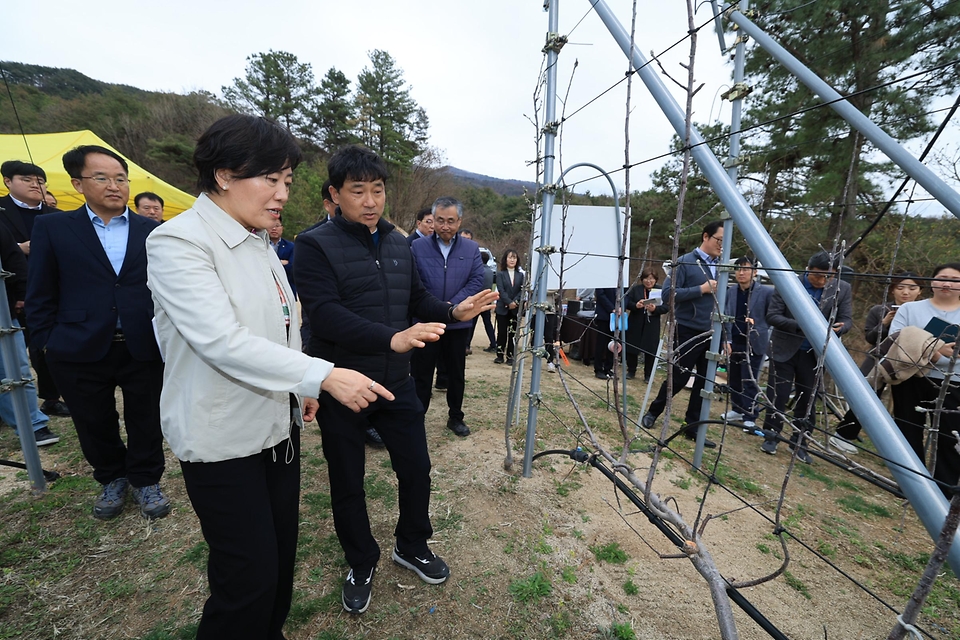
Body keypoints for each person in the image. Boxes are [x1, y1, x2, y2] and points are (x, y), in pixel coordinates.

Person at [145, 115, 391, 639]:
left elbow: (281, 327)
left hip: (276, 430)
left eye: (287, 182)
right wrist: (323, 375)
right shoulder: (179, 243)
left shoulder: (260, 243)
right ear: (224, 175)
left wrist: (298, 387)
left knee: (278, 562)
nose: (282, 194)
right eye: (271, 180)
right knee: (246, 578)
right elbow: (221, 341)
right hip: (221, 439)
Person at [294, 145, 497, 616]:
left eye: (378, 190)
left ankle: (412, 544)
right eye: (357, 191)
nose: (370, 201)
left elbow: (418, 299)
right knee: (348, 479)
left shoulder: (398, 242)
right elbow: (325, 317)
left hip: (397, 383)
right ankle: (360, 559)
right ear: (335, 194)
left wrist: (452, 311)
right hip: (344, 385)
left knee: (417, 468)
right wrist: (393, 339)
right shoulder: (314, 245)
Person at [26, 145, 169, 519]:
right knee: (93, 420)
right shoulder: (54, 227)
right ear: (78, 183)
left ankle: (146, 479)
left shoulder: (152, 230)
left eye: (121, 178)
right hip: (77, 345)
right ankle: (111, 477)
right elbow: (40, 290)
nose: (114, 186)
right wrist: (46, 343)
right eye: (101, 178)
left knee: (146, 416)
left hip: (142, 342)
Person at [760, 251, 853, 463]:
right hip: (784, 348)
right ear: (808, 268)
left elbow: (847, 318)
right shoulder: (788, 283)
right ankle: (771, 435)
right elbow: (772, 316)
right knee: (779, 394)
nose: (822, 281)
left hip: (815, 353)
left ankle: (800, 442)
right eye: (817, 275)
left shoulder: (842, 288)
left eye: (827, 277)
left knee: (808, 398)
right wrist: (801, 325)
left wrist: (842, 328)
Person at [641, 221, 725, 448]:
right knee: (678, 376)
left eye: (725, 242)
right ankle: (653, 412)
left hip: (712, 332)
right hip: (687, 329)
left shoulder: (723, 266)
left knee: (704, 382)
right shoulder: (685, 263)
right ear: (706, 236)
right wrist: (702, 289)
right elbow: (669, 294)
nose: (722, 246)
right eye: (719, 240)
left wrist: (724, 336)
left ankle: (693, 427)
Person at [0, 160, 70, 418]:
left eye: (40, 181)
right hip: (13, 291)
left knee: (53, 344)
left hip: (58, 289)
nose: (35, 185)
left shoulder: (57, 216)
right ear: (8, 181)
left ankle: (53, 397)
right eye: (27, 179)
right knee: (21, 350)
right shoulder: (1, 210)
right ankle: (19, 407)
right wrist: (18, 248)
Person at [410, 197, 484, 437]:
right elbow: (414, 282)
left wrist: (452, 306)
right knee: (421, 374)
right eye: (439, 220)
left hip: (458, 323)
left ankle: (456, 416)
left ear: (459, 221)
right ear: (432, 220)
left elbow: (476, 281)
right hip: (426, 321)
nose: (444, 226)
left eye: (450, 221)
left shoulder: (471, 249)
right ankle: (417, 416)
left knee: (456, 374)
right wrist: (436, 307)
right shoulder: (417, 247)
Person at [888, 263, 960, 496]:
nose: (946, 283)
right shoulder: (910, 309)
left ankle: (943, 488)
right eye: (941, 278)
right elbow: (895, 339)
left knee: (950, 435)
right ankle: (910, 484)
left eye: (953, 279)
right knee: (908, 429)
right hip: (912, 376)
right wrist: (935, 352)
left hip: (954, 381)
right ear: (931, 282)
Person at [831, 272, 922, 452]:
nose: (906, 292)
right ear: (892, 290)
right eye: (900, 287)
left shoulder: (922, 312)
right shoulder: (879, 310)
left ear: (920, 291)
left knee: (907, 405)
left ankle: (901, 450)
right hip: (878, 360)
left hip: (910, 364)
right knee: (867, 397)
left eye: (912, 288)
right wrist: (884, 323)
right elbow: (871, 338)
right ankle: (844, 435)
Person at [0, 222, 57, 445]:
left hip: (3, 311)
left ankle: (31, 423)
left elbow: (13, 259)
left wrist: (22, 294)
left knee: (13, 369)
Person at [720, 257, 774, 430]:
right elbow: (725, 316)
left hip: (754, 341)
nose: (741, 273)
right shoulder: (731, 291)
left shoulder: (765, 292)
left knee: (749, 379)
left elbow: (771, 317)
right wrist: (726, 340)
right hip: (734, 340)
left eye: (745, 269)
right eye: (738, 269)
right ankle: (737, 409)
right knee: (734, 378)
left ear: (755, 272)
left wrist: (756, 323)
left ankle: (750, 414)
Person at [624, 267, 665, 382]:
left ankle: (648, 375)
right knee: (632, 346)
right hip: (636, 321)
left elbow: (666, 307)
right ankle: (631, 370)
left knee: (650, 349)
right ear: (642, 279)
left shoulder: (660, 290)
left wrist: (655, 309)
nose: (649, 281)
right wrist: (635, 306)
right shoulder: (636, 289)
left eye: (651, 279)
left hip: (652, 323)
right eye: (646, 278)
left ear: (656, 280)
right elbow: (627, 303)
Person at [494, 249, 524, 365]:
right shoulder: (500, 274)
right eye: (510, 257)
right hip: (502, 307)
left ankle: (510, 356)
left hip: (515, 309)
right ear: (505, 259)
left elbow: (522, 290)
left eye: (514, 258)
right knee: (502, 333)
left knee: (513, 334)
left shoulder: (521, 275)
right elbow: (501, 290)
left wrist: (515, 302)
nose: (512, 260)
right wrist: (508, 302)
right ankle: (500, 355)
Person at [470, 249, 498, 354]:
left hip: (477, 300)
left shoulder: (477, 271)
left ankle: (467, 344)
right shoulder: (491, 272)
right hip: (487, 300)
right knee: (488, 323)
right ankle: (493, 343)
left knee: (472, 324)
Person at [267, 215, 296, 296]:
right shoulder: (261, 245)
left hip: (286, 289)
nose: (274, 229)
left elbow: (292, 269)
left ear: (282, 228)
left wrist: (271, 264)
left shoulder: (291, 246)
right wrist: (280, 263)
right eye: (271, 226)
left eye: (277, 226)